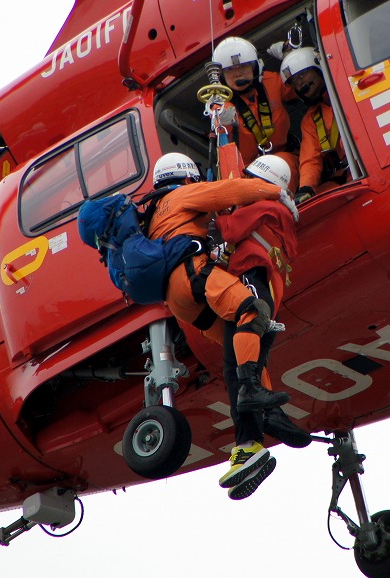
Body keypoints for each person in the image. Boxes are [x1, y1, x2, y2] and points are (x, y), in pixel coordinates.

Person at [145, 151, 305, 499]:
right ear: (187, 177)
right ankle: (257, 404)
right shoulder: (185, 196)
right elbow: (225, 194)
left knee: (242, 351)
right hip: (197, 276)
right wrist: (269, 193)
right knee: (252, 318)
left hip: (180, 299)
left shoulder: (159, 209)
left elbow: (227, 215)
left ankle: (249, 443)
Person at [211, 36, 299, 190]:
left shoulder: (272, 81)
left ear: (255, 66)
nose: (237, 73)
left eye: (243, 66)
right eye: (230, 69)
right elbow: (223, 146)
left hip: (283, 158)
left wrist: (293, 59)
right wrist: (221, 124)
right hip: (248, 174)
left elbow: (306, 89)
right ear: (221, 76)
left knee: (283, 163)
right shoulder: (221, 106)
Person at [279, 47, 348, 204]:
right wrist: (306, 188)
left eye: (302, 75)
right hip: (347, 172)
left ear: (318, 68)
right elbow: (310, 157)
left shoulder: (349, 89)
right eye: (294, 81)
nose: (300, 83)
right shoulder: (311, 120)